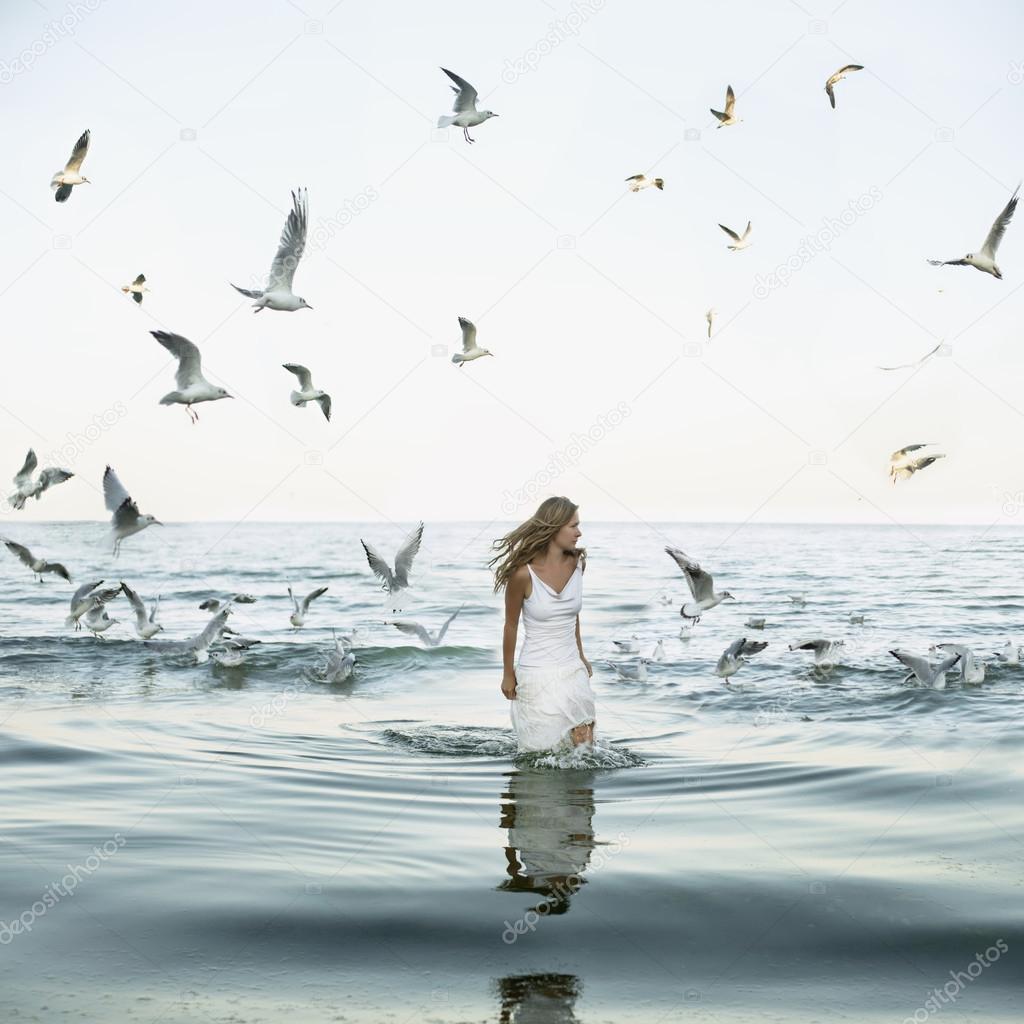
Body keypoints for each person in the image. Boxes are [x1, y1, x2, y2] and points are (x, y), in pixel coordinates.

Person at [488, 496, 595, 752]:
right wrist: (507, 674)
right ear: (554, 527)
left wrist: (581, 656)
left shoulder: (577, 563)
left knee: (584, 750)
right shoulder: (522, 574)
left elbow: (573, 615)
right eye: (573, 526)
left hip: (572, 670)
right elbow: (510, 626)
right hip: (536, 673)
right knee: (542, 753)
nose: (579, 532)